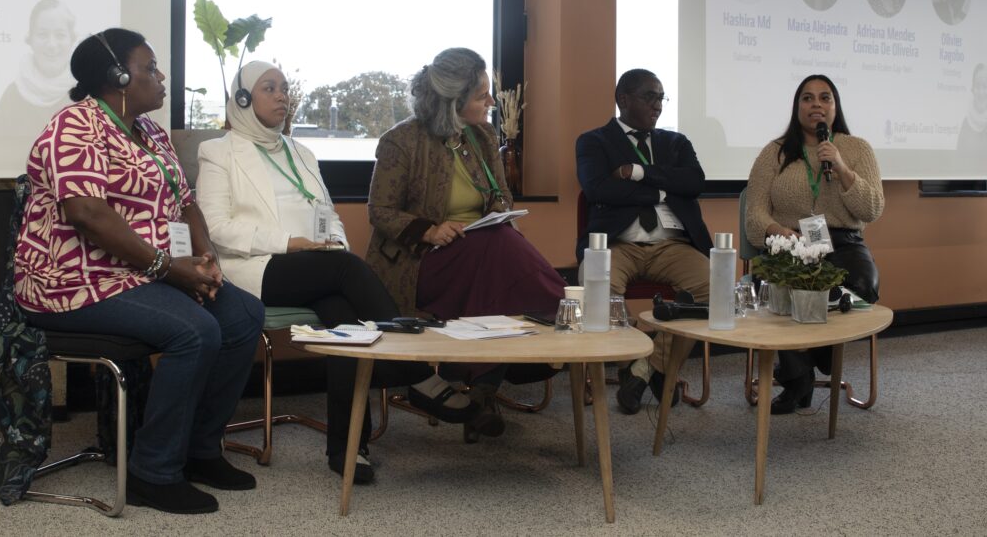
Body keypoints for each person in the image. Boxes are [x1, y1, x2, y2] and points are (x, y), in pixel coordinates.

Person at [12, 28, 264, 514]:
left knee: (242, 316)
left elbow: (186, 203)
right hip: (71, 283)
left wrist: (207, 261)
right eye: (150, 68)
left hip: (142, 274)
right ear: (119, 77)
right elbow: (88, 214)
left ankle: (199, 449)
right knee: (195, 332)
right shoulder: (74, 127)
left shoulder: (150, 133)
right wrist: (171, 270)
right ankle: (153, 471)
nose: (161, 76)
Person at [195, 60, 479, 482]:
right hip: (254, 268)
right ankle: (416, 373)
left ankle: (347, 449)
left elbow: (328, 214)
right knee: (345, 272)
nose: (281, 96)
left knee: (343, 319)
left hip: (316, 269)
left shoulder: (301, 151)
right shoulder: (218, 151)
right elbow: (215, 227)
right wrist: (292, 244)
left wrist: (333, 245)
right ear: (242, 99)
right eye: (268, 88)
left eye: (284, 88)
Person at [366, 47, 565, 443]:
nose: (491, 103)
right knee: (500, 250)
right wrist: (429, 229)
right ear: (453, 101)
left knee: (496, 248)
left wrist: (497, 210)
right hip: (421, 262)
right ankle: (560, 308)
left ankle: (481, 393)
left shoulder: (483, 135)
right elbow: (380, 211)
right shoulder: (400, 141)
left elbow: (503, 196)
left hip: (482, 256)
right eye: (482, 96)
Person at [745, 74, 884, 415]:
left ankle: (808, 359)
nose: (816, 105)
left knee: (862, 286)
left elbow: (873, 209)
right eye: (807, 98)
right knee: (778, 289)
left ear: (835, 107)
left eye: (825, 98)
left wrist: (840, 166)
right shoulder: (774, 153)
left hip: (842, 242)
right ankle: (798, 379)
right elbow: (754, 215)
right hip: (789, 242)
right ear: (797, 107)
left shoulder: (857, 149)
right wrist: (778, 231)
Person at [575, 69, 712, 415]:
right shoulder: (593, 141)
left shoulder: (675, 142)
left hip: (672, 244)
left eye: (661, 97)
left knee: (718, 287)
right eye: (650, 96)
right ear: (624, 99)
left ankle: (644, 369)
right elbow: (598, 190)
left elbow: (695, 182)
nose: (658, 106)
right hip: (618, 244)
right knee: (596, 286)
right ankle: (639, 362)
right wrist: (665, 189)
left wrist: (638, 174)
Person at [0, 0, 77, 135]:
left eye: (60, 35)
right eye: (42, 35)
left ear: (72, 39)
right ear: (30, 39)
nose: (51, 45)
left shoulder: (87, 96)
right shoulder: (12, 96)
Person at [957, 63, 987, 158]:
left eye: (985, 86)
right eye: (978, 86)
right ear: (972, 89)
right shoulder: (965, 125)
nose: (981, 92)